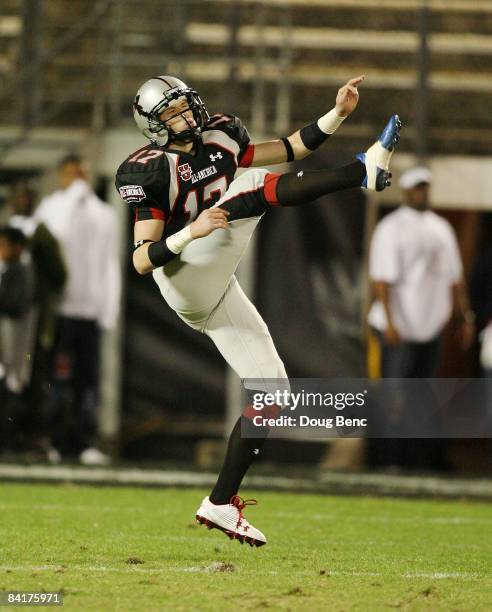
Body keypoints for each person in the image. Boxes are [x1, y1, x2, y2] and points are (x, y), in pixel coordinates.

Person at [116, 74, 401, 546]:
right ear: (154, 126)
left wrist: (338, 114)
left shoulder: (221, 135)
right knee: (249, 186)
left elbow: (291, 150)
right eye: (172, 112)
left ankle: (221, 503)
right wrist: (193, 230)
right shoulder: (146, 170)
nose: (186, 115)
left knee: (272, 393)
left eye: (185, 105)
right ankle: (360, 172)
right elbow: (142, 260)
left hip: (218, 281)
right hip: (185, 274)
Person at [367, 166, 474, 468]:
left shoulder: (441, 228)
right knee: (394, 396)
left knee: (422, 398)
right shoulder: (392, 227)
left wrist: (464, 317)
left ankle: (416, 460)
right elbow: (382, 281)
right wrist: (390, 322)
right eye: (417, 187)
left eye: (425, 186)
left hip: (430, 329)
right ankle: (387, 461)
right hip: (398, 329)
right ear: (406, 191)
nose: (422, 192)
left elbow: (455, 278)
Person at [36, 156, 121, 465]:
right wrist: (73, 197)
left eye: (83, 172)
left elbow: (110, 263)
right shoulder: (52, 207)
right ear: (61, 176)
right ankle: (55, 441)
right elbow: (54, 238)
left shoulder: (104, 214)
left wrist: (108, 309)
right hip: (61, 312)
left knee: (88, 383)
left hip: (90, 312)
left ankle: (85, 442)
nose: (79, 178)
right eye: (73, 173)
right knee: (58, 381)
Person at [8, 180, 67, 456]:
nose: (25, 201)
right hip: (6, 321)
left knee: (34, 378)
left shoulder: (42, 234)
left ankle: (32, 436)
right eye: (21, 196)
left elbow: (59, 275)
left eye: (30, 196)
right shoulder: (6, 228)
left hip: (32, 324)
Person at [0, 226, 35, 453]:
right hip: (8, 342)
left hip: (17, 342)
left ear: (18, 247)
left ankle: (11, 441)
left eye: (4, 245)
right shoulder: (9, 270)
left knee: (13, 386)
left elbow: (16, 305)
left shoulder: (22, 271)